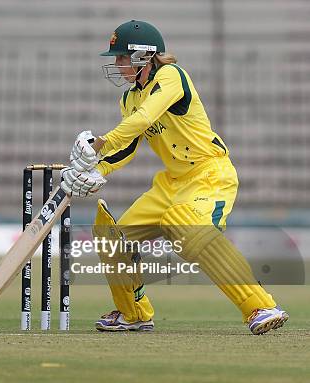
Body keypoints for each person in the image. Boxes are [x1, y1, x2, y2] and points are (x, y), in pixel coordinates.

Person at [61, 20, 289, 335]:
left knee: (187, 227)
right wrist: (96, 169)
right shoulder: (128, 98)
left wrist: (99, 143)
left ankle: (261, 306)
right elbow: (128, 145)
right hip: (172, 182)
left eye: (121, 58)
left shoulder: (171, 77)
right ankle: (134, 314)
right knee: (113, 238)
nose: (116, 65)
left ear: (143, 56)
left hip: (210, 174)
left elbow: (145, 118)